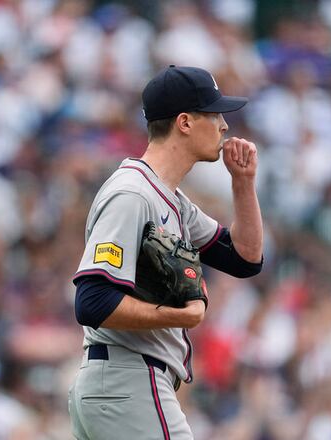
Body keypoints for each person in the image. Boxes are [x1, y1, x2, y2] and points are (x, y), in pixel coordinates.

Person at [68, 65, 265, 439]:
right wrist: (177, 314)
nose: (224, 125)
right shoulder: (132, 194)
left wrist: (243, 183)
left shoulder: (170, 199)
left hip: (118, 387)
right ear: (185, 122)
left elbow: (244, 259)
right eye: (215, 113)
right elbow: (91, 302)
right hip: (129, 381)